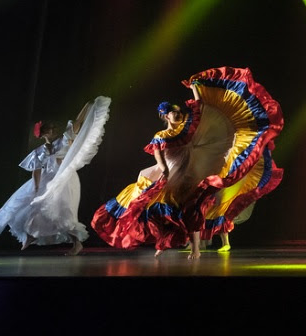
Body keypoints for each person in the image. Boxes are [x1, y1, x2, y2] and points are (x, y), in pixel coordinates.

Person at [91, 66, 283, 260]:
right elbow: (159, 156)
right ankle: (163, 244)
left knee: (192, 212)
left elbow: (199, 106)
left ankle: (195, 249)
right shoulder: (163, 135)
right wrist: (164, 171)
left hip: (189, 175)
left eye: (178, 111)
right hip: (171, 175)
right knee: (159, 209)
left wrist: (195, 88)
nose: (178, 114)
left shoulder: (188, 127)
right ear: (166, 116)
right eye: (173, 113)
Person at [0, 96, 112, 255]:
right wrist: (36, 188)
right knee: (32, 206)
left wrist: (88, 105)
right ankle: (30, 236)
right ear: (44, 133)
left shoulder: (65, 140)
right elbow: (36, 170)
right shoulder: (39, 151)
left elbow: (77, 121)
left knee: (62, 212)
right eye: (49, 129)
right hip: (47, 179)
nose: (53, 130)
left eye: (52, 128)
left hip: (64, 179)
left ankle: (76, 243)